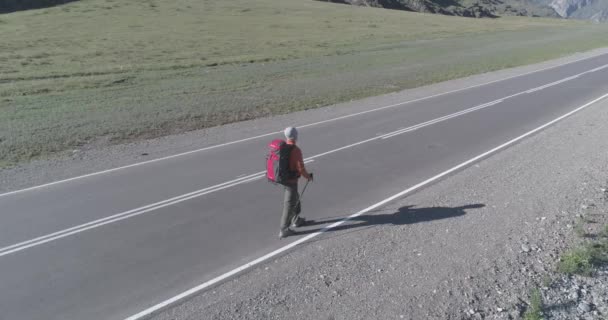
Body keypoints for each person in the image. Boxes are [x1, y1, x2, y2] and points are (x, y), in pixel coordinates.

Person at [279, 127, 313, 239]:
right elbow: (301, 168)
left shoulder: (282, 147)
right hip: (291, 181)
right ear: (295, 136)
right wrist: (308, 177)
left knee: (295, 198)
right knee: (289, 204)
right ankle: (284, 229)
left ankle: (296, 219)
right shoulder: (295, 150)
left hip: (283, 179)